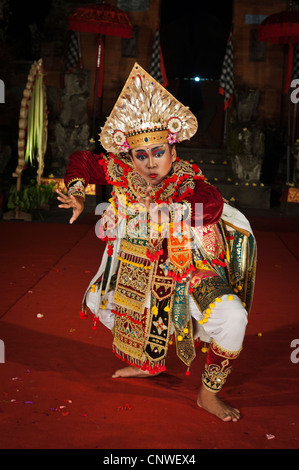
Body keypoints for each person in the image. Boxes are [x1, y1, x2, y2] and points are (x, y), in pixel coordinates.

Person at [57, 63, 257, 422]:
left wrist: (175, 213)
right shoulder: (122, 173)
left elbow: (210, 206)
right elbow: (83, 160)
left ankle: (208, 395)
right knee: (101, 303)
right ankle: (148, 364)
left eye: (158, 152)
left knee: (232, 317)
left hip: (189, 275)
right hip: (137, 274)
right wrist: (77, 191)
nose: (151, 163)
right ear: (129, 156)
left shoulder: (189, 181)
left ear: (172, 150)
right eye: (141, 154)